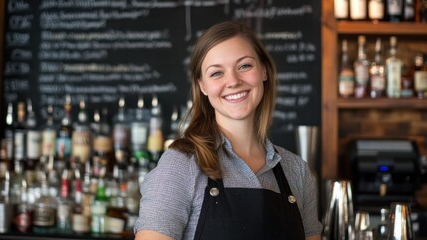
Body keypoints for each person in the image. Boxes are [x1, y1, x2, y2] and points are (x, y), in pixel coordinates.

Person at [134, 20, 323, 240]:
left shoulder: (297, 172)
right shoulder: (181, 165)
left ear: (264, 70)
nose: (233, 81)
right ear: (202, 86)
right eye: (216, 73)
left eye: (244, 66)